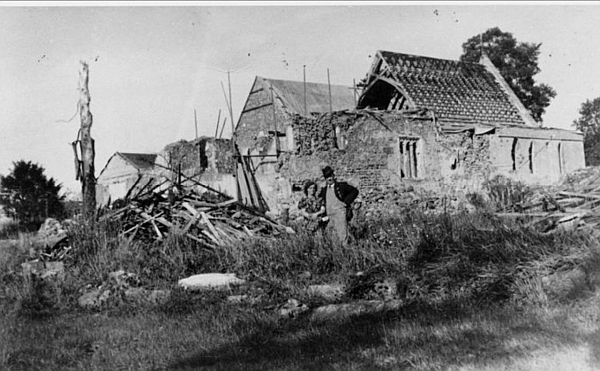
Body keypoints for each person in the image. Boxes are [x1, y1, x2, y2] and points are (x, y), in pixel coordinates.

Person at [318, 166, 359, 245]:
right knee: (330, 236)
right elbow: (321, 200)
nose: (329, 179)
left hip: (340, 214)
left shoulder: (341, 186)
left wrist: (346, 202)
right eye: (327, 177)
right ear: (325, 179)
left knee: (342, 235)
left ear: (333, 176)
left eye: (330, 176)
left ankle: (345, 252)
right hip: (329, 215)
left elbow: (354, 191)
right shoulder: (324, 189)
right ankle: (334, 253)